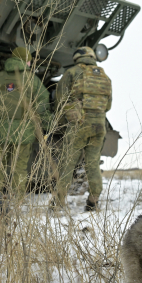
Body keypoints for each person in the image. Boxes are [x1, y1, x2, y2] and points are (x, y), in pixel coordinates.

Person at [0, 47, 51, 197]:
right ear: (26, 61)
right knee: (19, 170)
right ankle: (16, 203)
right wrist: (46, 126)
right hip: (24, 134)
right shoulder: (32, 80)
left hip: (0, 133)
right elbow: (43, 104)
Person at [55, 46, 112, 211]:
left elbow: (60, 98)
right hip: (99, 125)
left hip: (79, 124)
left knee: (68, 164)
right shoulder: (105, 77)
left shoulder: (72, 73)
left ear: (76, 58)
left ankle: (58, 203)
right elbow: (108, 105)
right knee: (93, 164)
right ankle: (93, 201)